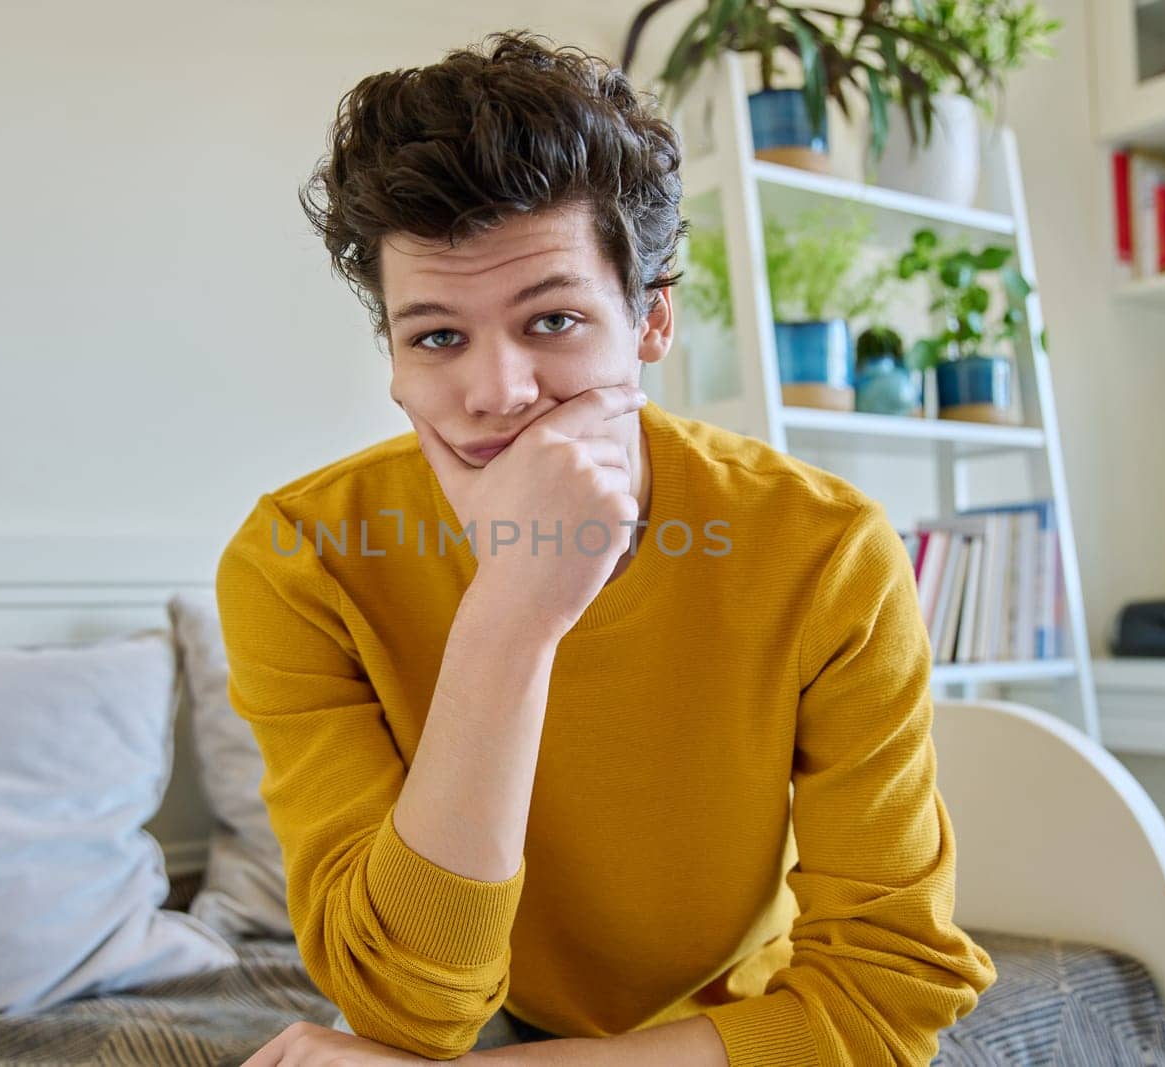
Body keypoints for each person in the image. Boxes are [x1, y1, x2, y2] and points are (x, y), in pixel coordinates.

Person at [232, 31, 995, 1067]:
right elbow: (409, 1013)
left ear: (650, 322)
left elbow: (885, 994)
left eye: (550, 319)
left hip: (725, 1024)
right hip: (482, 1004)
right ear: (395, 360)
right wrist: (511, 613)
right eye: (437, 335)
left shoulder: (824, 552)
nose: (496, 390)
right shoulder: (300, 556)